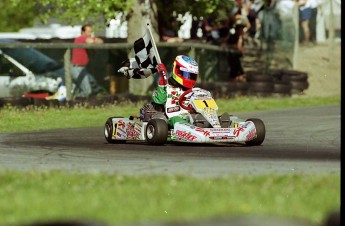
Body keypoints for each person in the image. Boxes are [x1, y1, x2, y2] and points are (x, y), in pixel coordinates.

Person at [118, 55, 230, 128]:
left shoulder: (192, 90)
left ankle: (216, 123)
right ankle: (195, 127)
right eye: (187, 75)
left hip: (190, 116)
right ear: (177, 71)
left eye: (192, 75)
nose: (189, 78)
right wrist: (162, 80)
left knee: (201, 114)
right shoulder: (166, 87)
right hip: (171, 118)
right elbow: (159, 100)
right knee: (176, 120)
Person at [71, 23, 104, 97]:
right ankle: (76, 101)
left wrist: (95, 40)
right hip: (76, 68)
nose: (90, 33)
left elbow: (101, 42)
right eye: (88, 32)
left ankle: (76, 99)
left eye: (91, 32)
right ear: (83, 32)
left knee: (93, 83)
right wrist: (95, 40)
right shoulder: (80, 38)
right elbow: (91, 41)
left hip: (82, 68)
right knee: (87, 91)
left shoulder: (85, 39)